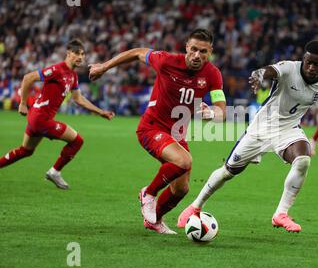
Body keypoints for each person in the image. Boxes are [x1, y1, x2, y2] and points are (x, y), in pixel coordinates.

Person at [178, 40, 318, 233]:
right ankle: (195, 206)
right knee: (228, 171)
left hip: (288, 129)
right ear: (303, 58)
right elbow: (270, 71)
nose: (311, 67)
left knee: (303, 159)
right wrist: (258, 74)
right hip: (260, 128)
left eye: (316, 64)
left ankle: (281, 214)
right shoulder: (289, 68)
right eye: (308, 62)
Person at [89, 29, 226, 235]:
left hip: (177, 135)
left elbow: (221, 109)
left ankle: (154, 221)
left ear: (210, 52)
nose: (197, 55)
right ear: (187, 47)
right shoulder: (166, 60)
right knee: (184, 161)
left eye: (203, 52)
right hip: (151, 127)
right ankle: (148, 193)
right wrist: (104, 67)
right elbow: (137, 52)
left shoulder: (212, 74)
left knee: (181, 189)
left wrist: (212, 113)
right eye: (194, 49)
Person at [0, 39, 115, 189]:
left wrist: (101, 112)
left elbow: (78, 99)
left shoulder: (73, 76)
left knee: (25, 151)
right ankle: (55, 172)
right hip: (41, 118)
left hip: (37, 118)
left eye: (83, 54)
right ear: (68, 53)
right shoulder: (57, 70)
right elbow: (28, 77)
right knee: (77, 141)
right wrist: (22, 103)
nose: (80, 57)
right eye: (77, 53)